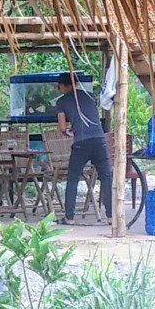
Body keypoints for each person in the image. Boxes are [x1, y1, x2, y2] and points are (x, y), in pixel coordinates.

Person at [55, 72, 112, 225]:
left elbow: (62, 127)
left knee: (73, 178)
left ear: (63, 86)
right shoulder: (90, 96)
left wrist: (68, 131)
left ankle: (69, 217)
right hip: (99, 139)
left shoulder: (61, 102)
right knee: (106, 177)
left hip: (81, 142)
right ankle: (111, 216)